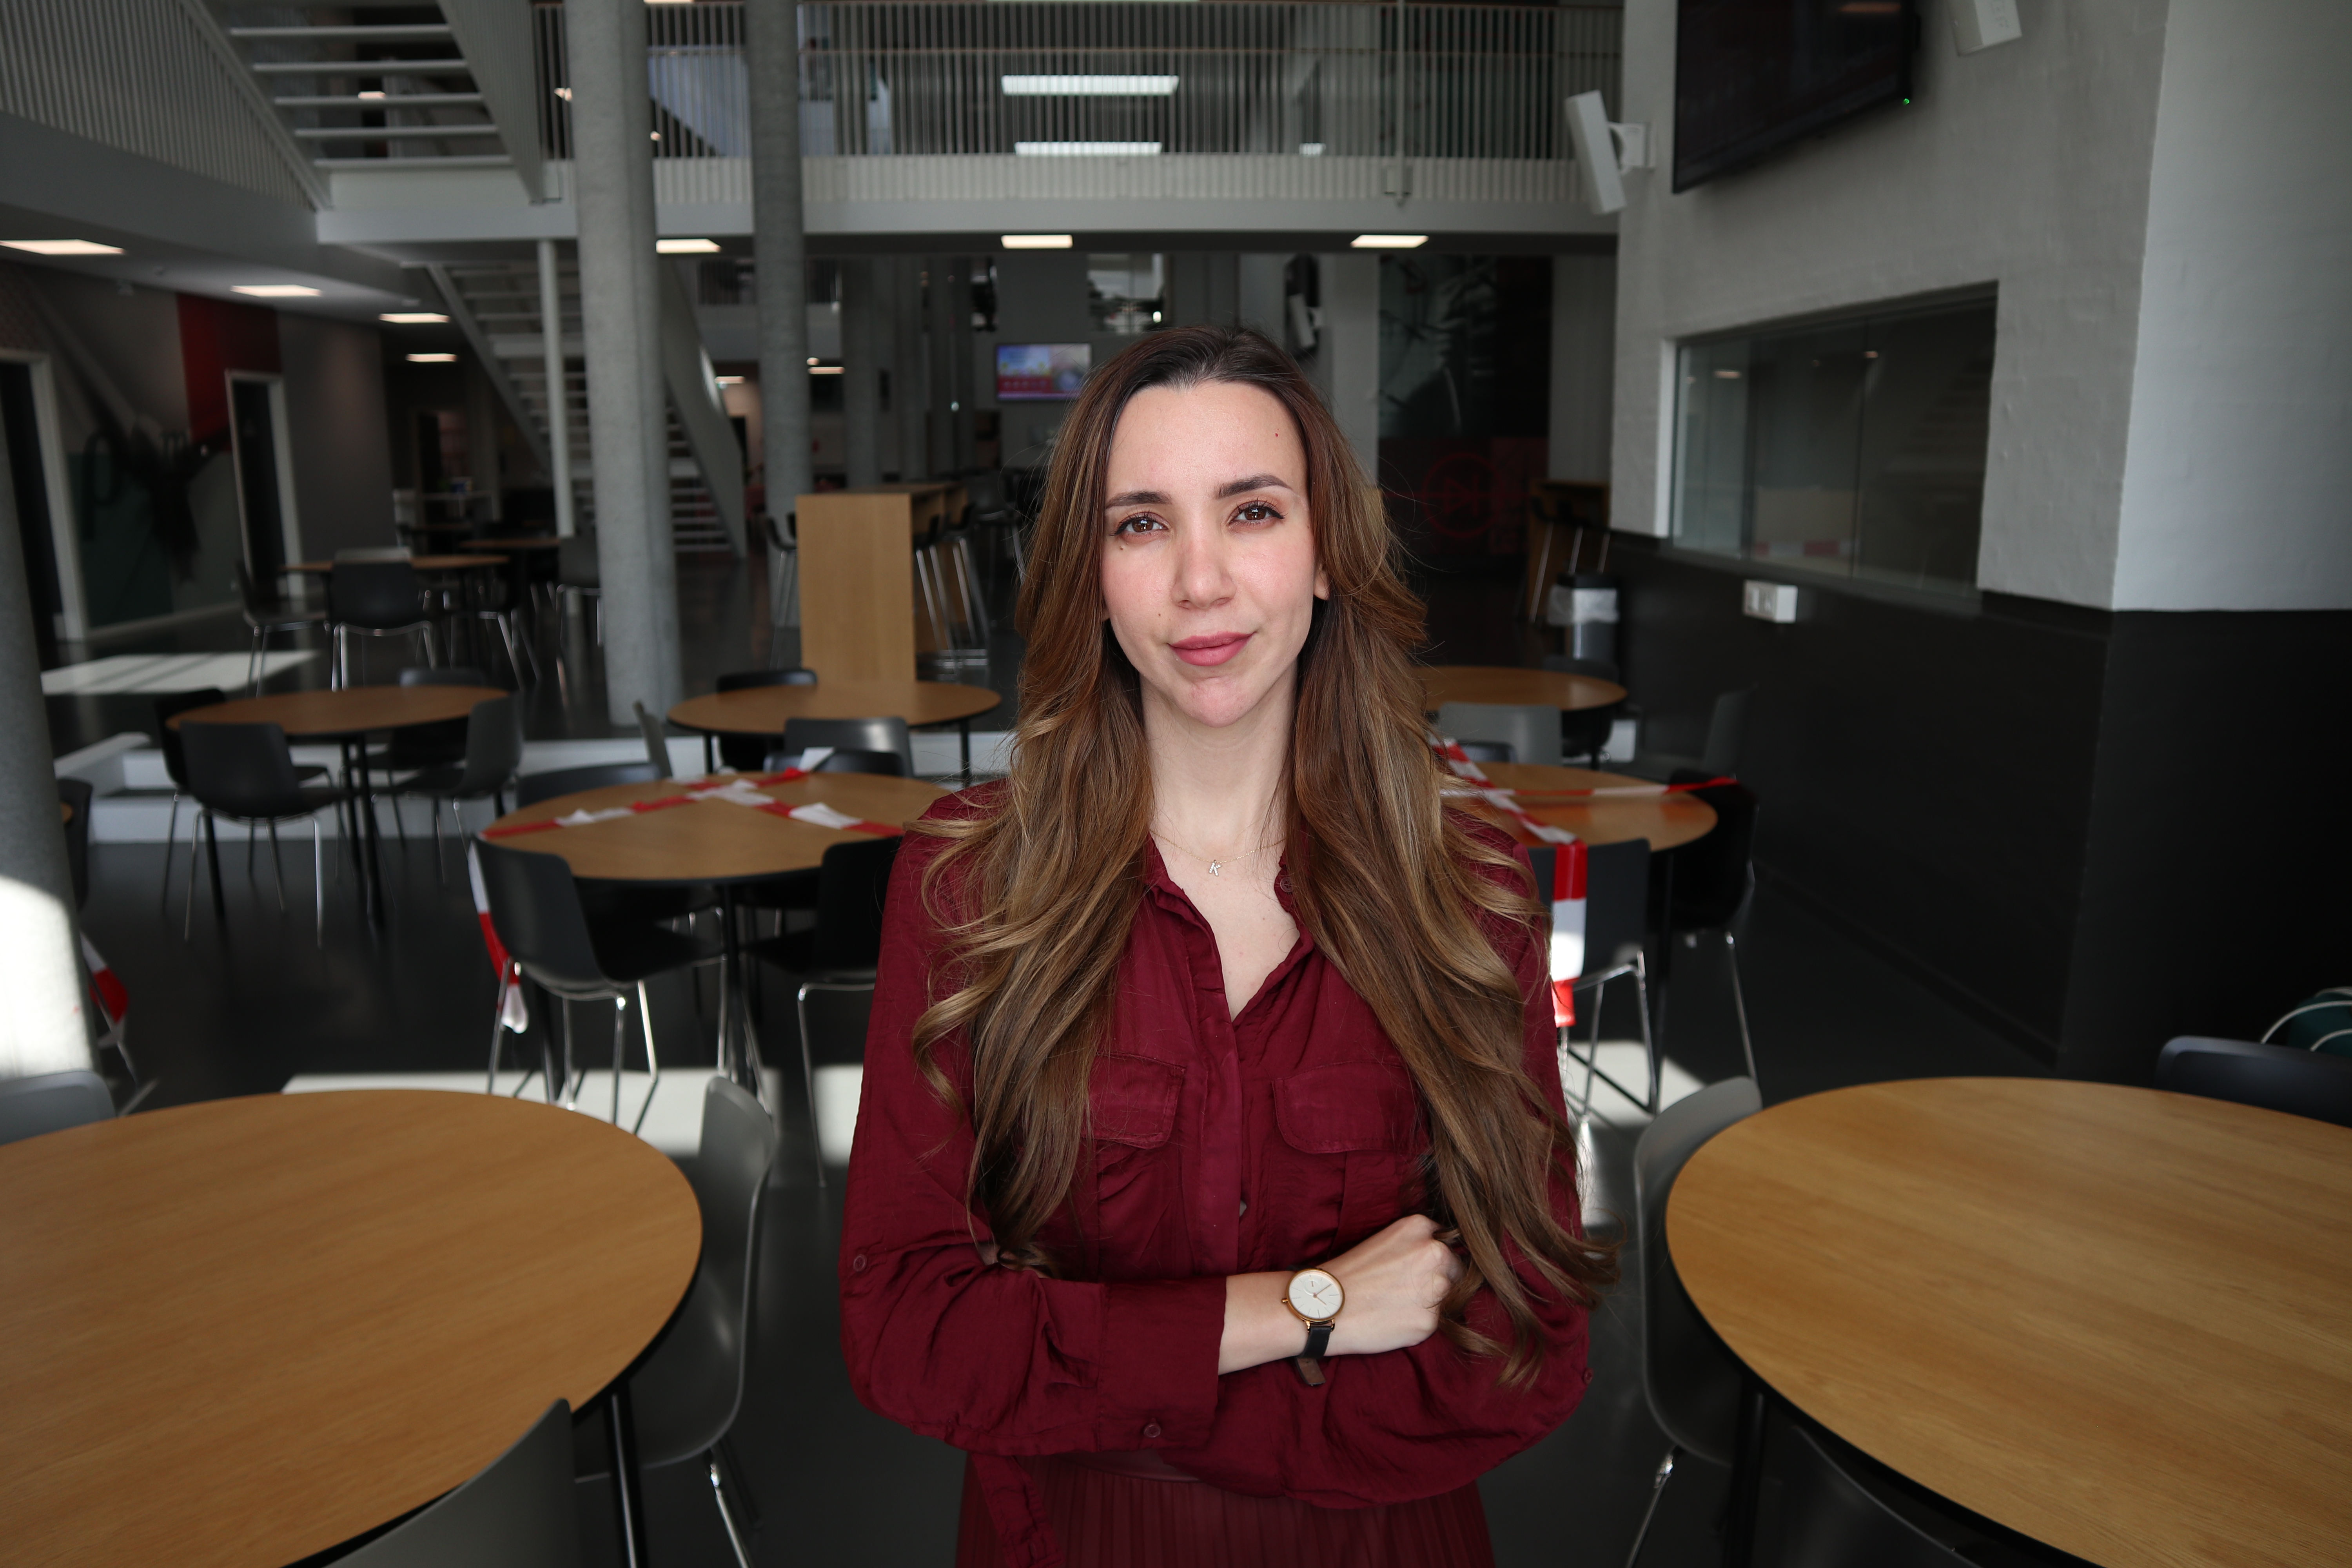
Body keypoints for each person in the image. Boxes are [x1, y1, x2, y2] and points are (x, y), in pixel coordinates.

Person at [840, 325, 1615, 1567]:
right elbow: (909, 1334)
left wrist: (1119, 1393)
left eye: (1252, 511)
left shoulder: (1466, 892)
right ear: (1092, 574)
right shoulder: (968, 883)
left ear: (1326, 553)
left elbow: (1527, 1342)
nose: (1200, 582)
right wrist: (1307, 1312)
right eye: (1142, 524)